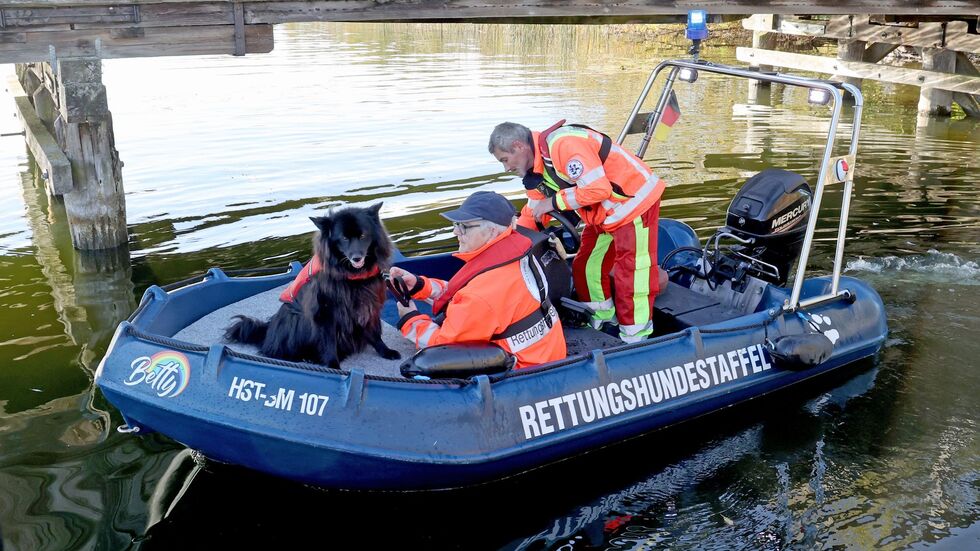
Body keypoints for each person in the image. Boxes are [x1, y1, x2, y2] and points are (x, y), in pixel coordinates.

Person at [488, 121, 666, 343]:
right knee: (586, 267)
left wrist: (553, 201)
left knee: (632, 273)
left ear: (518, 146)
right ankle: (603, 322)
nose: (506, 168)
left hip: (633, 205)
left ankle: (636, 338)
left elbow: (599, 189)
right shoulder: (537, 168)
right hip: (604, 215)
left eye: (505, 160)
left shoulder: (563, 145)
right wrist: (509, 245)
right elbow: (533, 211)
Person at [390, 191, 566, 369]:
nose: (455, 231)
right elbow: (464, 296)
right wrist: (421, 286)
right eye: (456, 224)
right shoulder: (519, 254)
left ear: (491, 231)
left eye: (464, 226)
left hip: (524, 370)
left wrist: (410, 319)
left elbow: (443, 345)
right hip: (548, 352)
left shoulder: (482, 294)